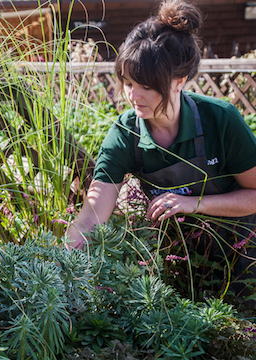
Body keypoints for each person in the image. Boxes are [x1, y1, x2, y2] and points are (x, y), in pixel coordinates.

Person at [66, 0, 256, 295]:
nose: (133, 95)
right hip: (177, 267)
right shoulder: (126, 132)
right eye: (128, 83)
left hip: (244, 262)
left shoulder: (220, 119)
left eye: (147, 86)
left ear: (179, 81)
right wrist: (64, 261)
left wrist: (194, 204)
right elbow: (92, 215)